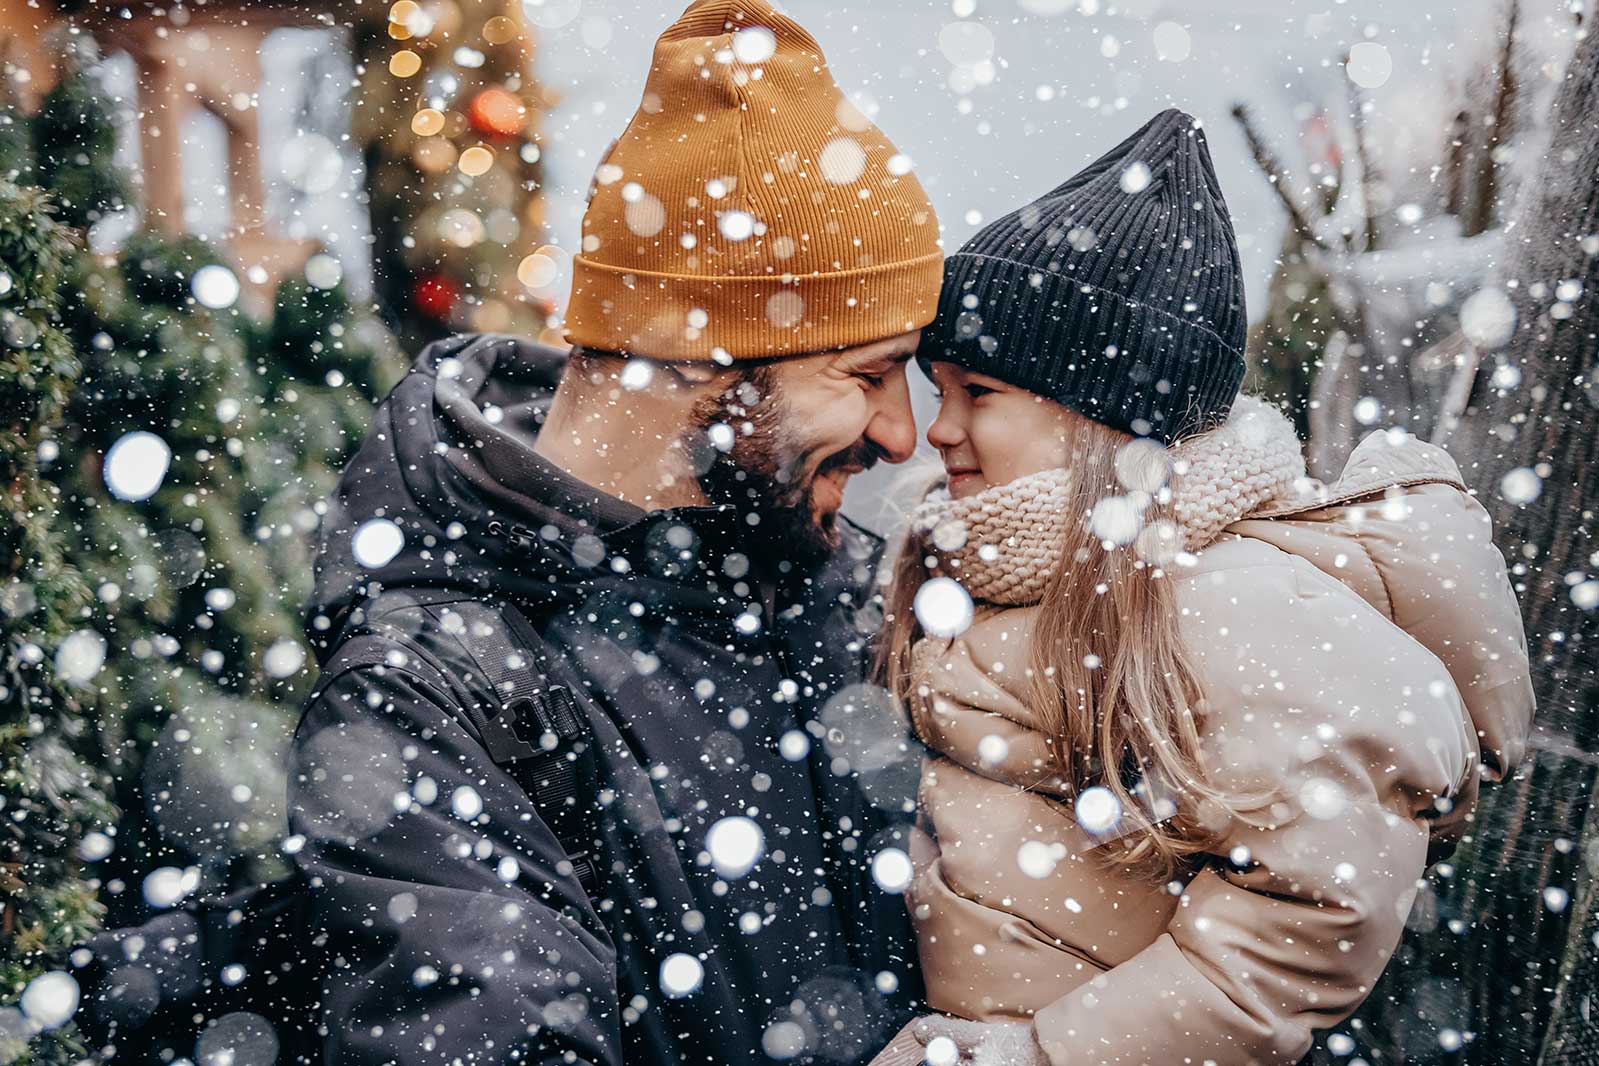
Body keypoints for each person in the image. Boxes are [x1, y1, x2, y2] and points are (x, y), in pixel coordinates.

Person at [284, 1, 944, 1063]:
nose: (903, 434)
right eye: (864, 376)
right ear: (686, 353)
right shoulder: (432, 697)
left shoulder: (857, 596)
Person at [873, 110, 1535, 1065]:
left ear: (1100, 420)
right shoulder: (1008, 567)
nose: (939, 430)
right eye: (940, 392)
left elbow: (1311, 908)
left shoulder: (1229, 601)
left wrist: (1042, 1054)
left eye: (978, 393)